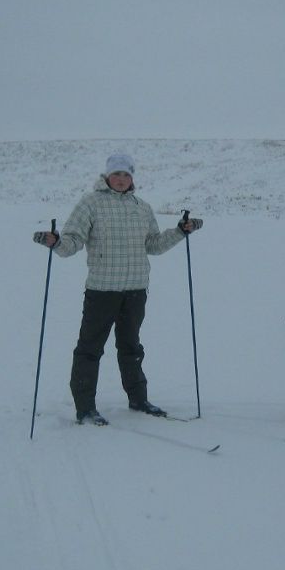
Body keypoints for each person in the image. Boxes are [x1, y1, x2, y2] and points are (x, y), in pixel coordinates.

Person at [34, 153, 202, 425]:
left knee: (131, 347)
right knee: (90, 349)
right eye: (116, 174)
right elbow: (73, 241)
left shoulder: (142, 207)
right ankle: (85, 408)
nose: (121, 179)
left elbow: (154, 245)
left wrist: (181, 232)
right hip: (102, 290)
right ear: (107, 176)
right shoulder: (90, 203)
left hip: (136, 290)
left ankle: (138, 399)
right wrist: (56, 243)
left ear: (132, 177)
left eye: (126, 174)